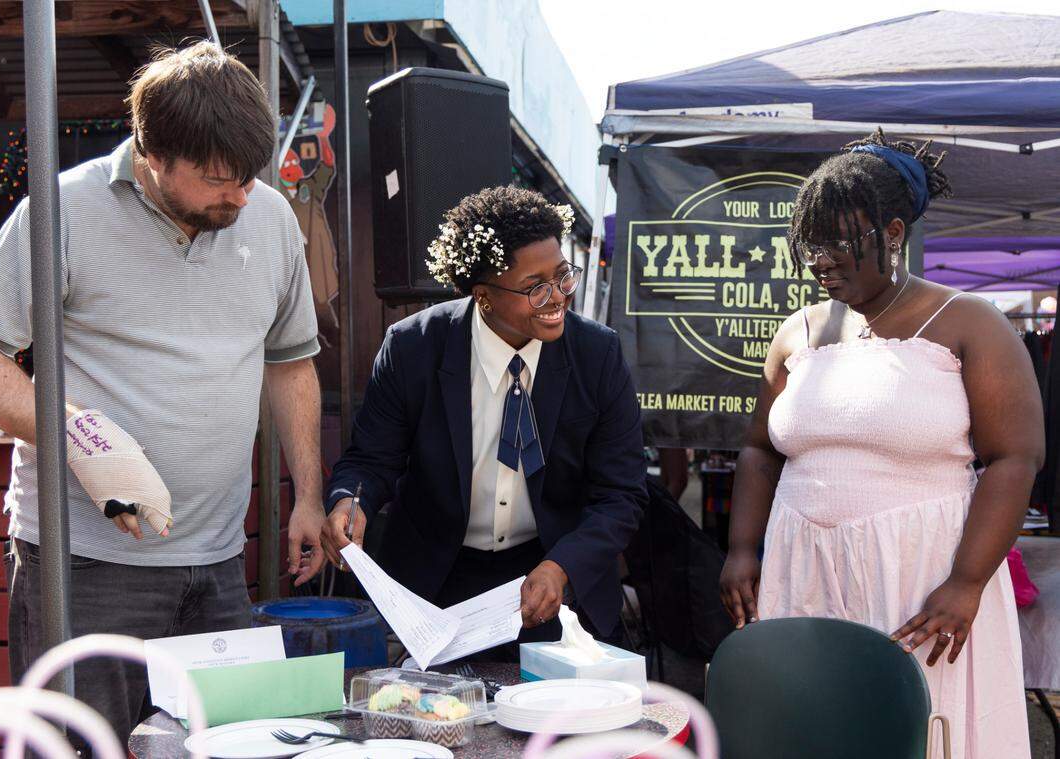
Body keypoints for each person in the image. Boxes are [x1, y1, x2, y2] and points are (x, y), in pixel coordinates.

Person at [0, 42, 328, 749]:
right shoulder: (62, 210)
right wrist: (81, 435)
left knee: (222, 748)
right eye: (218, 179)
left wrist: (308, 494)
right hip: (85, 565)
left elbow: (291, 363)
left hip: (218, 559)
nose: (240, 197)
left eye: (249, 176)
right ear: (153, 154)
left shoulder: (268, 219)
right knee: (84, 748)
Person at [719, 129, 1043, 758]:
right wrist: (740, 548)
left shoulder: (969, 322)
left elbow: (1015, 458)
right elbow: (759, 449)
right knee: (816, 724)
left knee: (919, 725)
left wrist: (967, 581)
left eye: (838, 242)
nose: (820, 261)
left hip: (921, 575)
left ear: (893, 233)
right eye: (810, 244)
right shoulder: (798, 331)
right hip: (803, 566)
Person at [320, 186, 647, 650]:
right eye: (535, 287)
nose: (557, 297)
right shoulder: (413, 348)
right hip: (435, 583)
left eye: (562, 277)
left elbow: (621, 493)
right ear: (484, 297)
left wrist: (562, 566)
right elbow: (371, 461)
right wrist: (348, 504)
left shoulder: (598, 354)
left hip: (552, 572)